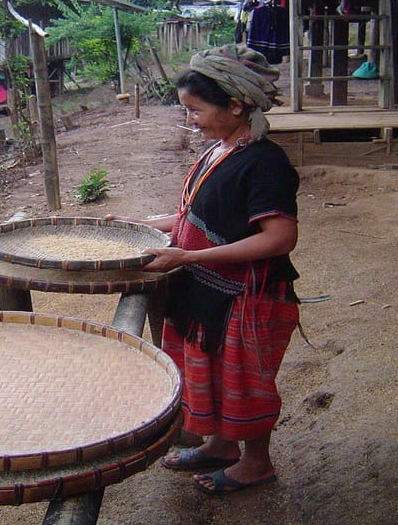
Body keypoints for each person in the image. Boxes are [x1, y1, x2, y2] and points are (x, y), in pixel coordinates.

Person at [110, 44, 300, 495]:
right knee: (213, 375)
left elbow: (279, 238)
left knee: (244, 381)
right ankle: (221, 447)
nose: (190, 120)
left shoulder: (264, 162)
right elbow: (197, 215)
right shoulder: (222, 149)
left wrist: (188, 257)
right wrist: (140, 226)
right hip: (209, 291)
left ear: (236, 105)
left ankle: (256, 463)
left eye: (196, 110)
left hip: (245, 298)